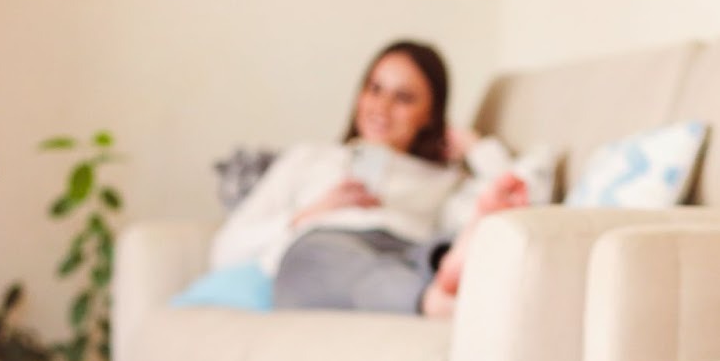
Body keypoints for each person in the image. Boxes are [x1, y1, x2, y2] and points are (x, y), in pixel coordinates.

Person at [207, 40, 526, 319]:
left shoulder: (440, 178)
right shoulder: (312, 159)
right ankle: (432, 298)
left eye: (403, 98)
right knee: (326, 258)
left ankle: (445, 270)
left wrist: (476, 147)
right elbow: (224, 251)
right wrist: (309, 214)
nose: (382, 108)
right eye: (375, 89)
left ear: (430, 115)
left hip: (405, 248)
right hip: (322, 250)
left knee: (433, 250)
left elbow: (515, 198)